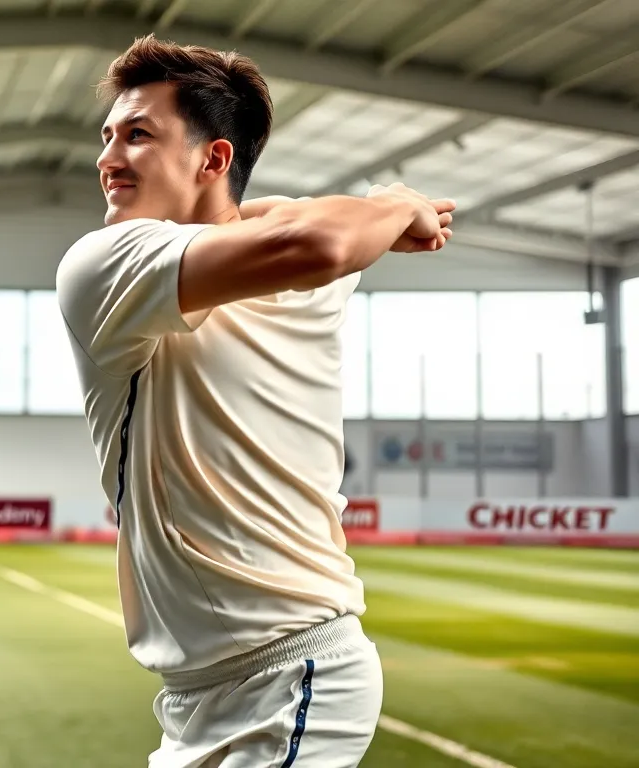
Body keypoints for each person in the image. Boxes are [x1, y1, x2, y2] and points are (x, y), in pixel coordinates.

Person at [54, 36, 455, 768]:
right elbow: (306, 229)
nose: (108, 159)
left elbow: (320, 243)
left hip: (294, 675)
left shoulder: (311, 251)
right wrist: (397, 207)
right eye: (107, 136)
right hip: (195, 695)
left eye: (138, 135)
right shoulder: (107, 264)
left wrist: (390, 207)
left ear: (213, 159)